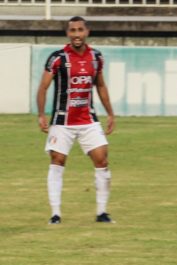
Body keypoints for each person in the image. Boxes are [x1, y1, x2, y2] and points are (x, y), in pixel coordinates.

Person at [36, 16, 115, 225]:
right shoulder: (57, 58)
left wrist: (110, 113)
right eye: (73, 30)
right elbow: (43, 87)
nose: (77, 34)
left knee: (102, 161)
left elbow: (101, 86)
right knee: (57, 162)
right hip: (62, 121)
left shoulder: (96, 58)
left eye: (80, 30)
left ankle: (102, 212)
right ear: (67, 33)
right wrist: (41, 114)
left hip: (88, 120)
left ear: (87, 31)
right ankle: (55, 214)